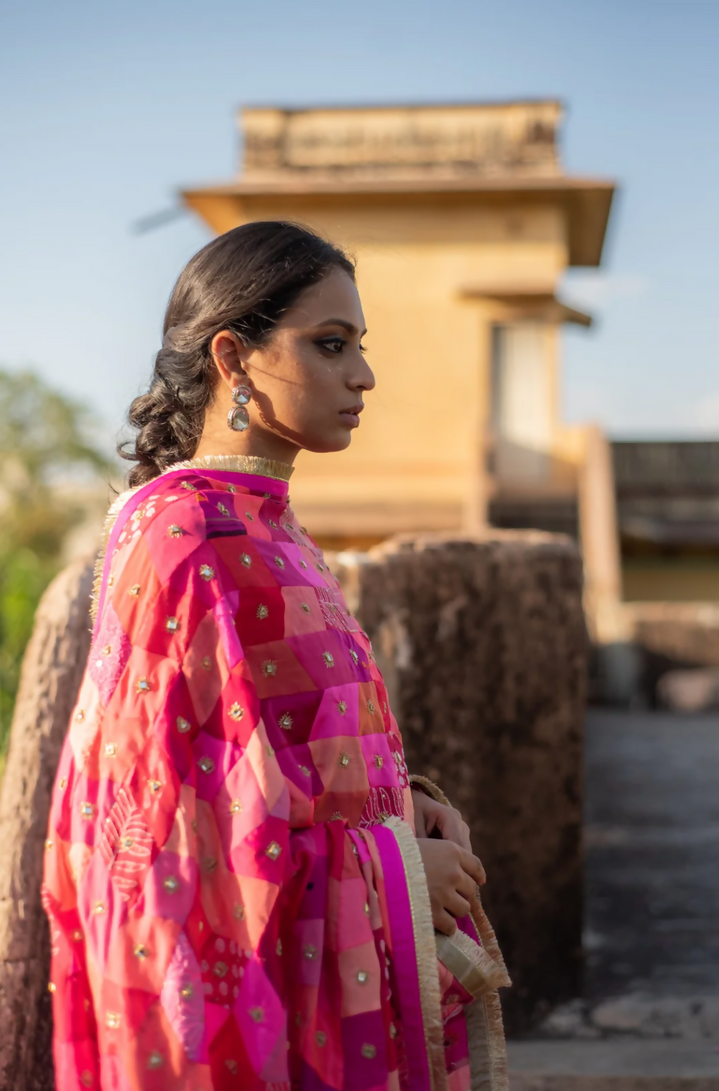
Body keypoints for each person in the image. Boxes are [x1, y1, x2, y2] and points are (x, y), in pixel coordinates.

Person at [43, 221, 509, 1091]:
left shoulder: (271, 528)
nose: (363, 375)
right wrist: (398, 872)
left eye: (359, 346)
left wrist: (407, 810)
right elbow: (181, 843)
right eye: (330, 345)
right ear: (234, 357)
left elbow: (280, 754)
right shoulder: (184, 540)